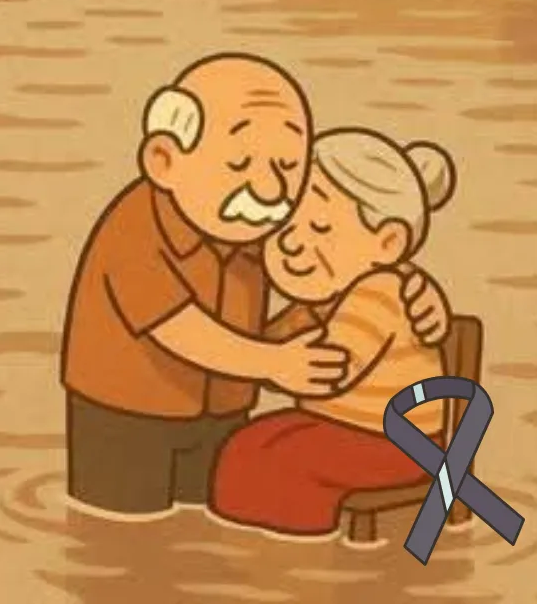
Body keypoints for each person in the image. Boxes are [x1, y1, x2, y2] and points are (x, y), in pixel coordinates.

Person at [61, 53, 452, 520]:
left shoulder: (257, 226)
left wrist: (416, 288)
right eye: (240, 162)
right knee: (124, 529)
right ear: (164, 160)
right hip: (129, 414)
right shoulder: (135, 228)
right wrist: (273, 362)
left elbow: (338, 278)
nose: (269, 190)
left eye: (286, 167)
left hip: (222, 412)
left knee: (214, 510)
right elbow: (177, 327)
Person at [209, 128, 456, 536]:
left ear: (388, 242)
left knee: (281, 459)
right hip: (340, 428)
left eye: (321, 227)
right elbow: (274, 341)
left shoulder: (381, 291)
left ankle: (305, 541)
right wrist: (270, 349)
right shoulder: (328, 295)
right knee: (248, 445)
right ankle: (272, 533)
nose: (292, 242)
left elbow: (334, 368)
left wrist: (278, 364)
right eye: (288, 223)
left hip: (395, 443)